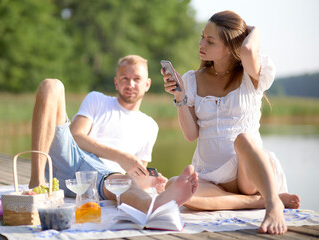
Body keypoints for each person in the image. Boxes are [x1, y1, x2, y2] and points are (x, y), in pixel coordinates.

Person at [162, 11, 300, 235]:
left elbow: (247, 50)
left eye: (210, 40)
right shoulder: (190, 80)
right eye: (202, 37)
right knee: (173, 186)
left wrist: (253, 30)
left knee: (243, 138)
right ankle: (256, 202)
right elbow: (191, 135)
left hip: (249, 174)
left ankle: (273, 204)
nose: (201, 44)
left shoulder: (251, 73)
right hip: (211, 178)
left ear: (229, 47)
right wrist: (179, 97)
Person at [29, 54, 199, 214]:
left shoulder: (150, 126)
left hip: (102, 180)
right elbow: (75, 135)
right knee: (51, 85)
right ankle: (37, 183)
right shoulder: (97, 99)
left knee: (124, 182)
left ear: (147, 84)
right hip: (69, 157)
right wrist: (121, 157)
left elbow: (135, 175)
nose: (130, 84)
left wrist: (150, 181)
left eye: (136, 79)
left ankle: (153, 205)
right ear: (116, 83)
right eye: (125, 78)